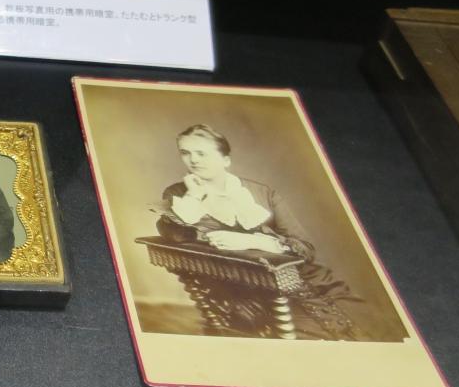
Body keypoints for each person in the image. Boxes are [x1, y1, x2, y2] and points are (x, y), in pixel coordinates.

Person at [153, 123, 363, 339]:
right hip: (236, 287)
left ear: (225, 159)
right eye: (185, 153)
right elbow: (175, 235)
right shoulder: (179, 193)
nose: (193, 160)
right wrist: (194, 196)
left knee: (346, 330)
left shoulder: (262, 193)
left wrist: (253, 242)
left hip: (298, 279)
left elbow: (306, 249)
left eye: (201, 153)